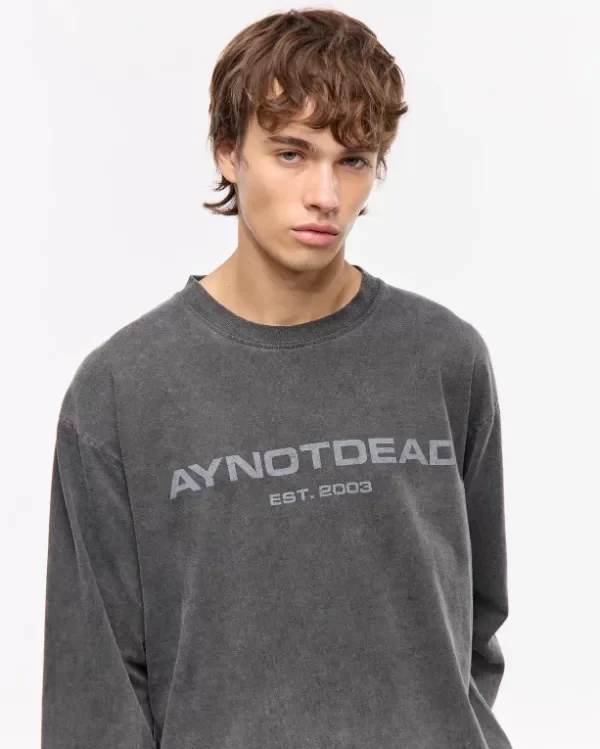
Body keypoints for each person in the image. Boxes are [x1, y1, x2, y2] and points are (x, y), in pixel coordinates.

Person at [41, 8, 512, 749]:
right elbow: (93, 695)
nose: (325, 194)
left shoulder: (445, 359)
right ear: (230, 152)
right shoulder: (122, 392)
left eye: (352, 160)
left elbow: (476, 623)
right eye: (292, 153)